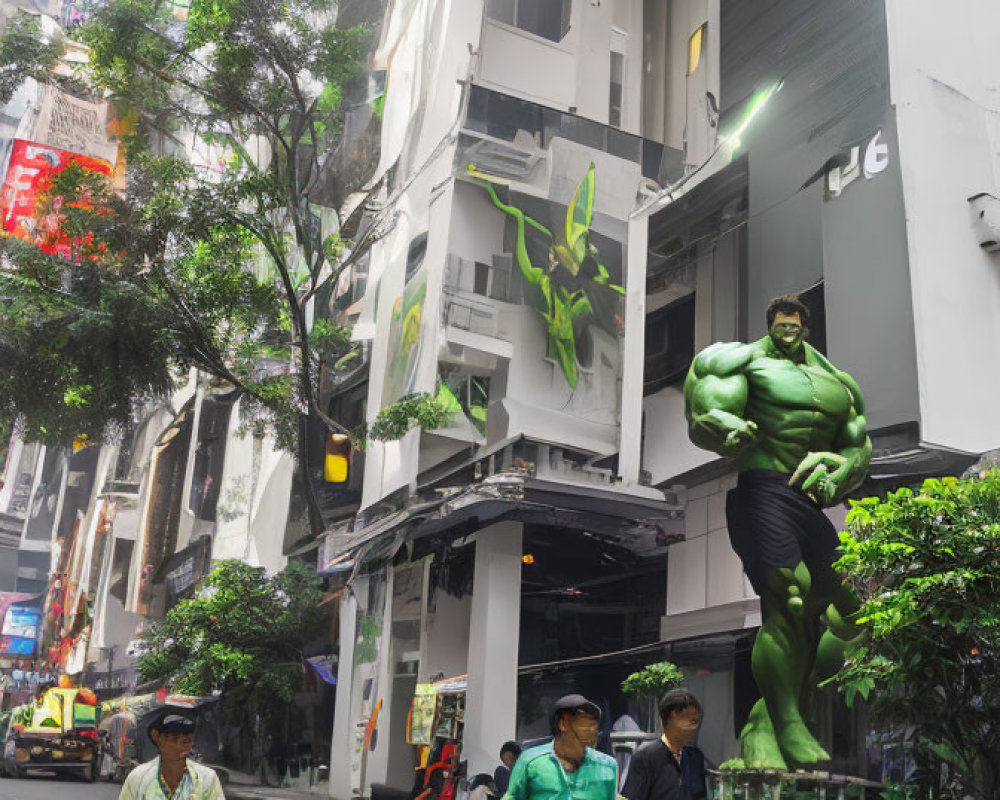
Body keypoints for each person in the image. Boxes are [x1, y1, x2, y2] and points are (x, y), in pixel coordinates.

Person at [684, 294, 871, 769]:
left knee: (854, 613)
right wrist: (726, 428)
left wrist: (842, 465)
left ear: (805, 327)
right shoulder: (737, 360)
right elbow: (704, 414)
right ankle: (786, 724)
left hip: (810, 500)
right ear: (771, 325)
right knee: (790, 598)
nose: (787, 332)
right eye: (779, 325)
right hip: (762, 489)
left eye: (794, 326)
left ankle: (767, 720)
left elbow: (858, 446)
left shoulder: (837, 382)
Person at [504, 695, 617, 800]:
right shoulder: (530, 761)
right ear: (563, 724)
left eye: (593, 724)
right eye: (584, 724)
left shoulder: (607, 766)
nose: (592, 730)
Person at [119, 711, 225, 800]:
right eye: (173, 739)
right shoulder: (138, 777)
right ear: (156, 737)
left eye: (185, 741)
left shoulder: (207, 778)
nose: (179, 746)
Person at [621, 689, 706, 800]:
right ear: (666, 720)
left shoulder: (695, 757)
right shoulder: (645, 757)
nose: (691, 727)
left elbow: (700, 795)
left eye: (694, 721)